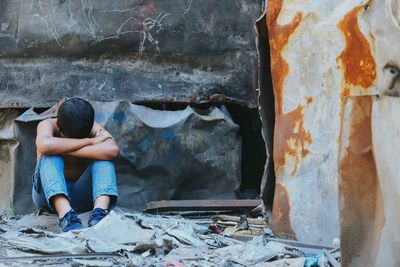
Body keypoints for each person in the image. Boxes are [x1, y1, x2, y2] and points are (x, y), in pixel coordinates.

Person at [32, 98, 119, 232]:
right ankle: (66, 215)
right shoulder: (48, 125)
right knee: (50, 155)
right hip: (48, 197)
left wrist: (64, 147)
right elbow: (46, 145)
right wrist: (89, 142)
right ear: (58, 125)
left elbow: (112, 150)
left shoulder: (94, 128)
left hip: (81, 196)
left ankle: (100, 213)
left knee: (104, 159)